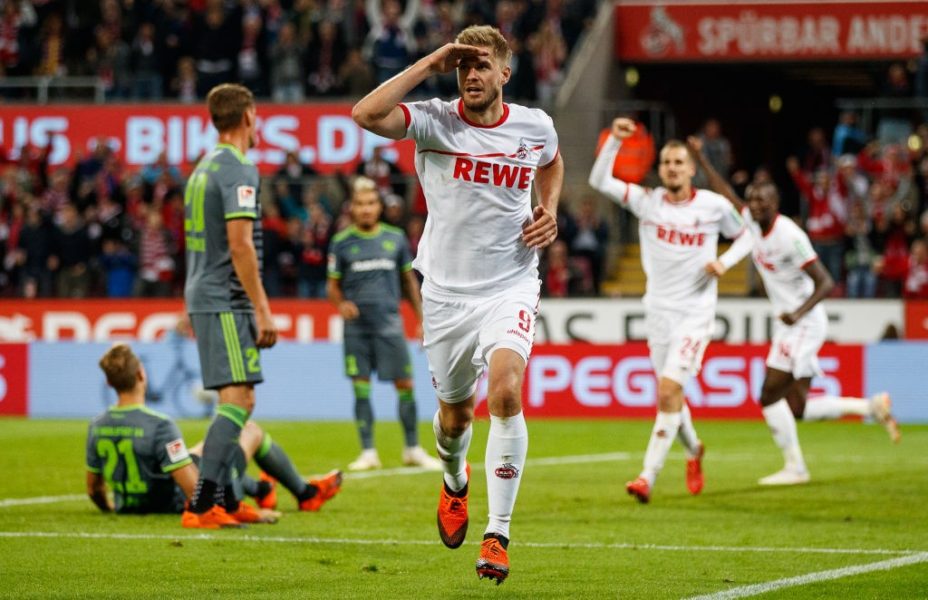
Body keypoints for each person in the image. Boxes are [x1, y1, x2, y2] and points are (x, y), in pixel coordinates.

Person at [351, 25, 563, 585]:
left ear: (504, 74)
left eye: (481, 64)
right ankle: (453, 483)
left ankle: (498, 534)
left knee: (507, 390)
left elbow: (552, 162)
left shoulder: (534, 126)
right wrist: (432, 60)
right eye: (462, 65)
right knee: (453, 418)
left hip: (510, 284)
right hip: (444, 292)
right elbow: (366, 115)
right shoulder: (434, 120)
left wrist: (550, 209)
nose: (471, 74)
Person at [692, 140, 901, 486]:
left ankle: (795, 468)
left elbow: (825, 281)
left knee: (768, 394)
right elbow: (726, 192)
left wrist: (795, 313)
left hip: (804, 322)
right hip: (790, 323)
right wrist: (700, 157)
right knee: (798, 407)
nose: (754, 205)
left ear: (776, 203)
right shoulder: (751, 221)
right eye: (752, 199)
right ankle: (869, 408)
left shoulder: (790, 235)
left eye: (762, 200)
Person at [182, 84, 342, 528]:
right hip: (225, 298)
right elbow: (240, 246)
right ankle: (201, 505)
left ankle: (229, 503)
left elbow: (198, 243)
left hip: (205, 292)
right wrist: (263, 309)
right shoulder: (238, 169)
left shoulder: (201, 169)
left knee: (233, 401)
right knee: (239, 400)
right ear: (249, 116)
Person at [588, 118, 745, 504]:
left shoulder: (714, 206)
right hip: (658, 313)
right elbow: (599, 182)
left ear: (692, 168)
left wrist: (725, 263)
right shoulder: (648, 201)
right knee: (670, 396)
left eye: (679, 162)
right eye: (666, 163)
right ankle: (694, 450)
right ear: (659, 169)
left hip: (695, 315)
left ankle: (647, 476)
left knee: (669, 390)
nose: (672, 168)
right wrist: (614, 143)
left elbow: (748, 234)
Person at [87, 343, 306, 521]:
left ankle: (261, 489)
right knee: (247, 432)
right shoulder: (160, 425)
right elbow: (195, 490)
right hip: (173, 504)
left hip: (128, 505)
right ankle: (283, 491)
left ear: (108, 382)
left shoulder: (97, 425)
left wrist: (111, 507)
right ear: (141, 375)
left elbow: (94, 489)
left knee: (198, 451)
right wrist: (256, 516)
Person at [326, 177, 442, 472]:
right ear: (352, 208)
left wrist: (422, 320)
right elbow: (332, 286)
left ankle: (413, 448)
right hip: (357, 329)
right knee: (360, 388)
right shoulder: (341, 243)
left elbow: (408, 283)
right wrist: (341, 304)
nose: (366, 209)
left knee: (405, 384)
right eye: (361, 204)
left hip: (389, 324)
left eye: (371, 203)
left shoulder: (395, 239)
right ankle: (368, 452)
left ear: (379, 206)